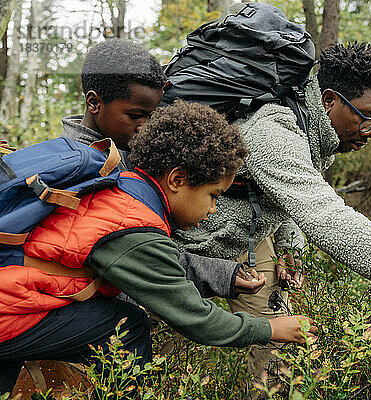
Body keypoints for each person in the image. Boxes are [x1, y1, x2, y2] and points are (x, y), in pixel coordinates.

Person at [175, 42, 371, 388]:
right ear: (329, 100)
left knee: (280, 349)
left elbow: (278, 192)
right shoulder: (273, 133)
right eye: (367, 117)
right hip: (192, 240)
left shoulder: (315, 130)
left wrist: (290, 247)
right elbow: (327, 217)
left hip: (247, 240)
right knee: (147, 343)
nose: (370, 132)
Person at [0, 100, 317, 395]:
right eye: (213, 195)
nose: (214, 210)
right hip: (9, 312)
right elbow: (198, 320)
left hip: (11, 296)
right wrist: (269, 328)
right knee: (126, 326)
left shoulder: (121, 188)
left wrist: (226, 276)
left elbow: (160, 262)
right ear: (178, 179)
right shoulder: (135, 225)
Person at [60, 38, 264, 301]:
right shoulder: (85, 169)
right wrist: (218, 275)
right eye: (135, 116)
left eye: (151, 115)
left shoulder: (120, 150)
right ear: (94, 103)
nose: (144, 126)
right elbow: (136, 255)